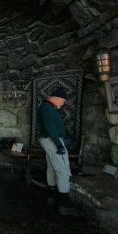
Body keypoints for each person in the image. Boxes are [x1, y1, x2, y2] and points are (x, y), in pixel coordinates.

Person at [38, 87, 83, 216]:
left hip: (48, 140)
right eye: (62, 101)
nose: (63, 104)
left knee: (51, 168)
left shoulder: (47, 107)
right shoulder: (47, 108)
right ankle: (64, 205)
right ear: (56, 98)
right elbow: (50, 127)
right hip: (52, 140)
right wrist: (59, 144)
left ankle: (51, 197)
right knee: (63, 170)